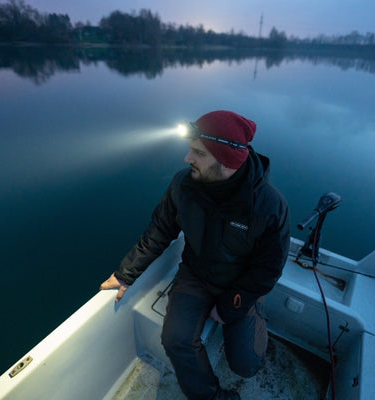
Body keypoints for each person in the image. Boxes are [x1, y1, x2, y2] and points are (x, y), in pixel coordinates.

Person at [100, 110, 290, 400]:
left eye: (197, 152)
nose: (187, 159)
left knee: (246, 366)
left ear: (226, 159)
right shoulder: (183, 185)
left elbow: (268, 269)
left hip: (241, 284)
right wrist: (126, 274)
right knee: (175, 339)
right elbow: (160, 230)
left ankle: (254, 318)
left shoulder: (268, 206)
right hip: (196, 274)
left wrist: (229, 307)